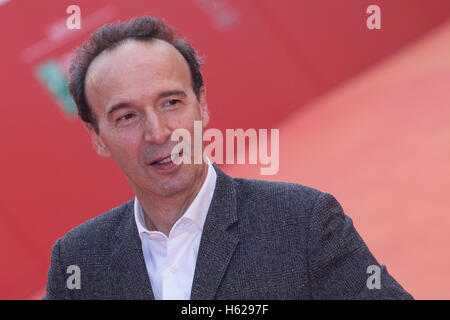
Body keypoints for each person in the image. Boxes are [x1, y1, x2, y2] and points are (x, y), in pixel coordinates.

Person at [43, 16, 413, 300]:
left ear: (202, 106)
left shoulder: (303, 222)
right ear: (97, 138)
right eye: (126, 116)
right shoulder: (75, 261)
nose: (157, 133)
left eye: (171, 102)